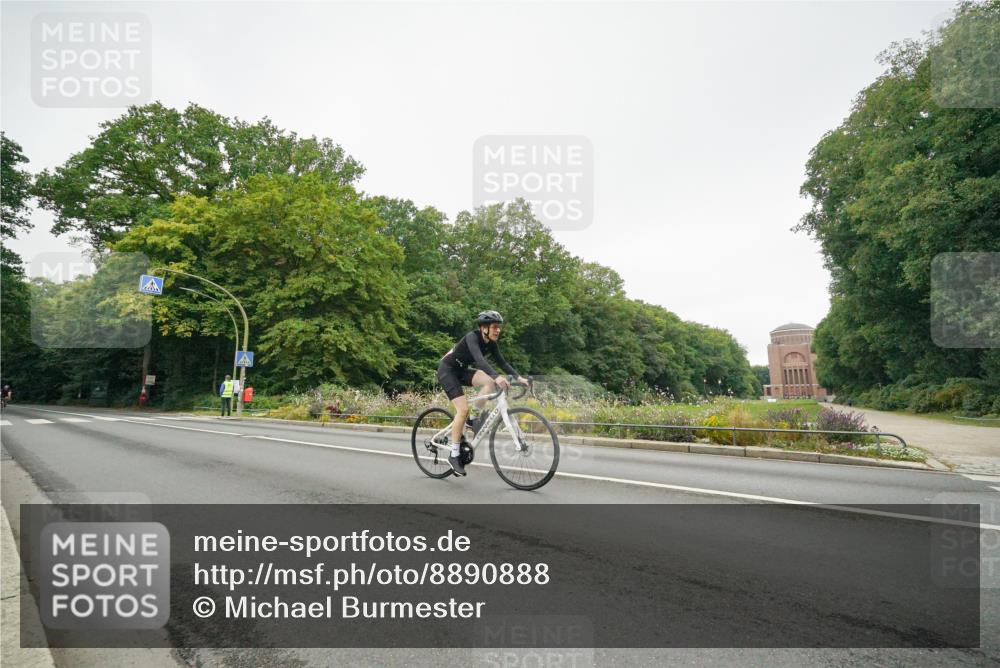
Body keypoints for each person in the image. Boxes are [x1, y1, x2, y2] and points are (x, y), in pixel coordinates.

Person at [437, 310, 529, 476]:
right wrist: (497, 376)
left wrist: (519, 377)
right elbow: (480, 361)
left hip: (462, 370)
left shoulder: (491, 343)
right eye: (494, 327)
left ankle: (474, 418)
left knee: (489, 382)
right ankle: (454, 454)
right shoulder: (472, 337)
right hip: (447, 371)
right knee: (462, 410)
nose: (498, 330)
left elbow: (502, 362)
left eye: (499, 327)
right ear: (484, 328)